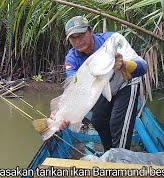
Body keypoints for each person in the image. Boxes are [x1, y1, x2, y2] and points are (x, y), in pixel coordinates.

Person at [60, 16, 147, 151]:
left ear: (90, 31)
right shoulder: (72, 58)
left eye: (81, 35)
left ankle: (120, 159)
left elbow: (143, 67)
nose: (78, 41)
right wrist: (63, 113)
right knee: (98, 120)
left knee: (117, 122)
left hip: (126, 83)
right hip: (103, 87)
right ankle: (109, 152)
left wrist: (125, 64)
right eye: (73, 38)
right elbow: (73, 87)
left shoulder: (112, 41)